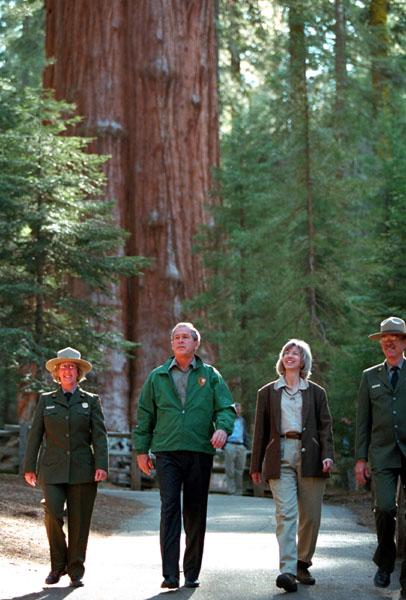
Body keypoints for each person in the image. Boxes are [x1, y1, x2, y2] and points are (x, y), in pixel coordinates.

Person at [134, 322, 235, 590]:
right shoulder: (157, 376)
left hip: (199, 451)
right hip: (166, 451)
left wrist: (223, 429)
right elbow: (145, 415)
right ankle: (170, 574)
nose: (180, 341)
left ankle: (191, 572)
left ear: (195, 343)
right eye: (176, 338)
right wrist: (142, 450)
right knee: (170, 509)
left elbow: (225, 408)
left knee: (195, 511)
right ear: (172, 344)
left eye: (185, 337)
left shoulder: (210, 375)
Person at [250, 339, 334, 593]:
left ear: (303, 361)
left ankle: (302, 562)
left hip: (311, 455)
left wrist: (328, 454)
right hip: (279, 455)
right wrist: (256, 464)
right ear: (282, 359)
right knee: (286, 514)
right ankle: (286, 570)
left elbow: (325, 426)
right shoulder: (267, 392)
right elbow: (260, 431)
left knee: (310, 516)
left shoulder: (316, 392)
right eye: (287, 352)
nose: (290, 355)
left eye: (296, 353)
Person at [23, 347, 108, 588]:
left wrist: (102, 464)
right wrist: (30, 466)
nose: (67, 370)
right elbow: (35, 436)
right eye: (63, 366)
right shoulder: (46, 400)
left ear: (79, 371)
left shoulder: (91, 401)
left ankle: (75, 569)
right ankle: (57, 565)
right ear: (57, 373)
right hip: (51, 469)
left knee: (80, 522)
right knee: (52, 513)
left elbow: (99, 436)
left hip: (83, 470)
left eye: (71, 366)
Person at [355, 316, 406, 598]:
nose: (389, 342)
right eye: (385, 339)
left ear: (404, 342)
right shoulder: (370, 376)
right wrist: (360, 459)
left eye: (395, 338)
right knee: (385, 507)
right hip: (383, 453)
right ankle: (385, 563)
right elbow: (363, 421)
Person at [223, 403, 248, 495]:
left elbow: (245, 432)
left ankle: (239, 491)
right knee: (230, 469)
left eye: (239, 410)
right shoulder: (228, 419)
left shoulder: (242, 420)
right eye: (237, 410)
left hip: (241, 445)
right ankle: (231, 490)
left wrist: (245, 444)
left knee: (240, 470)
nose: (238, 412)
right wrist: (224, 445)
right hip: (230, 445)